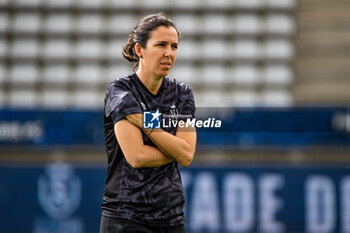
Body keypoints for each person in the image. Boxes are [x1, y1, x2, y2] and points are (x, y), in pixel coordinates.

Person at [100, 13, 196, 233]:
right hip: (125, 217)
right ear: (139, 50)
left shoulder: (183, 94)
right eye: (161, 44)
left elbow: (188, 155)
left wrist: (145, 123)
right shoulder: (121, 92)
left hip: (171, 218)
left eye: (174, 46)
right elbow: (137, 156)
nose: (169, 53)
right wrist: (176, 148)